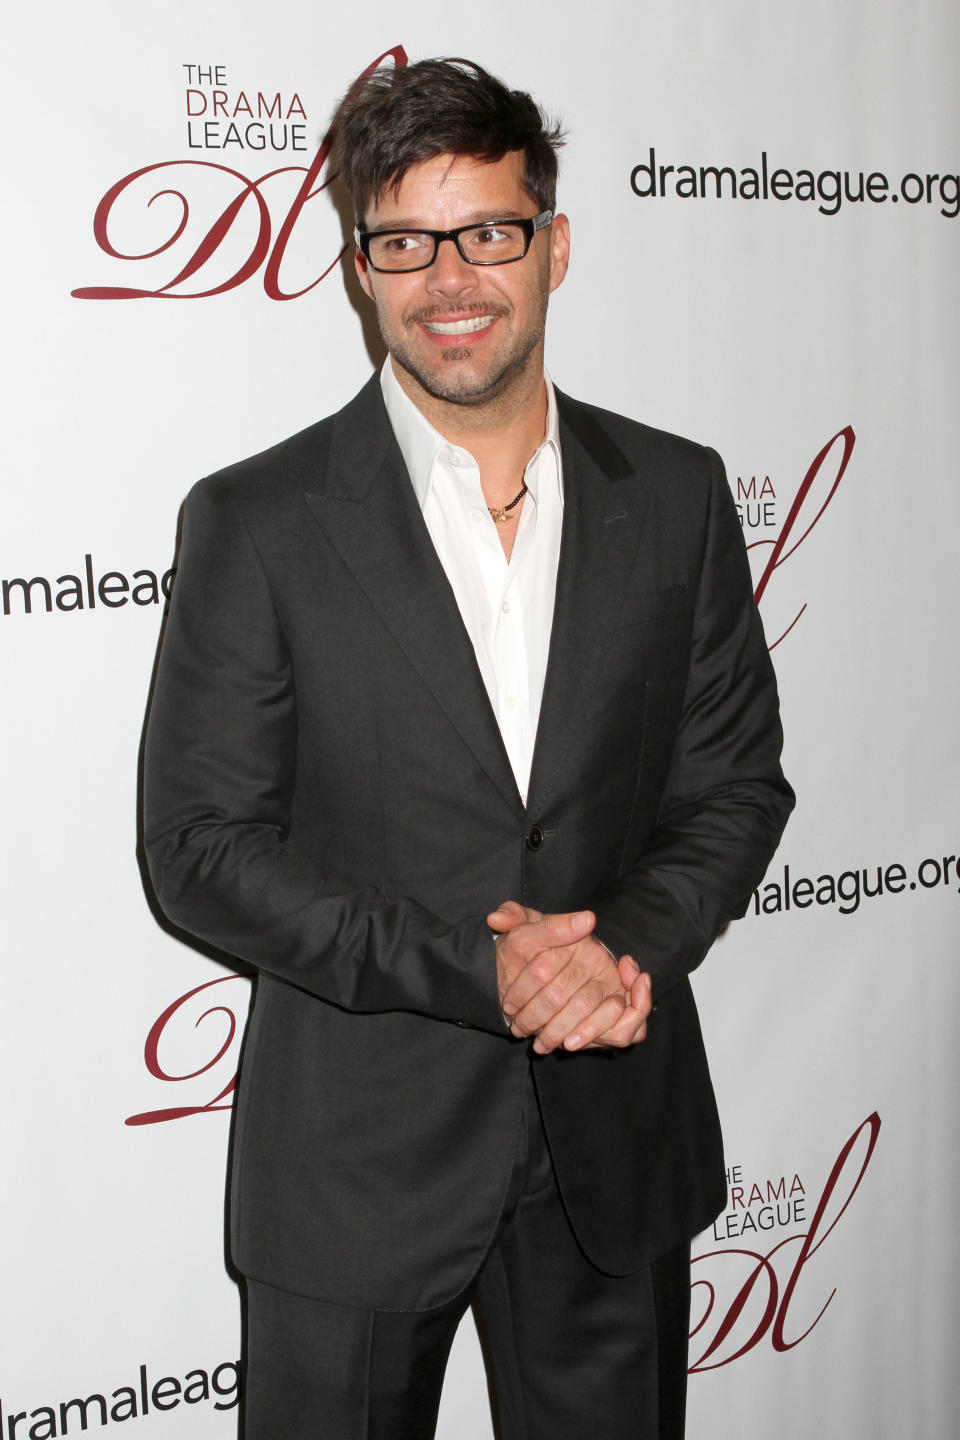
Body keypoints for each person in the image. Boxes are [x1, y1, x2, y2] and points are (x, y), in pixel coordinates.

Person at [142, 56, 793, 1440]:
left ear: (554, 245)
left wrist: (616, 955)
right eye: (406, 243)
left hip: (613, 1143)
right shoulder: (257, 522)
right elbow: (199, 852)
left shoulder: (673, 497)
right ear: (357, 269)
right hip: (357, 1164)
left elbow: (734, 784)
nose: (453, 281)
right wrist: (480, 971)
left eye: (489, 233)